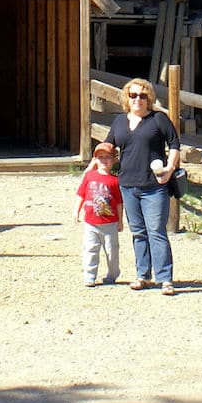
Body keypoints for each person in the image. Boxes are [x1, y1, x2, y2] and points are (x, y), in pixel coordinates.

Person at [107, 77, 181, 295]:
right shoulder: (119, 121)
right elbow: (109, 146)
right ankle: (143, 275)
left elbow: (174, 144)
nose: (138, 99)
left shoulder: (159, 119)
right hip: (128, 184)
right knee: (138, 232)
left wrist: (169, 168)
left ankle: (165, 279)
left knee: (156, 231)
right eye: (133, 95)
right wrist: (94, 168)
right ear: (126, 98)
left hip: (154, 185)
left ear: (149, 99)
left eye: (142, 95)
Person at [75, 141, 124, 286]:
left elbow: (119, 203)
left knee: (112, 252)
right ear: (95, 160)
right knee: (90, 249)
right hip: (91, 222)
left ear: (113, 160)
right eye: (100, 157)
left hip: (110, 223)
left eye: (107, 157)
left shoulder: (115, 181)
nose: (103, 160)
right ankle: (90, 276)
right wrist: (76, 210)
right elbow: (81, 194)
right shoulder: (89, 176)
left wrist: (120, 221)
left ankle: (112, 275)